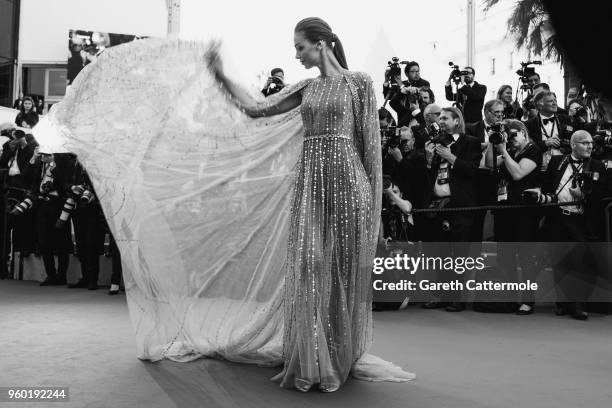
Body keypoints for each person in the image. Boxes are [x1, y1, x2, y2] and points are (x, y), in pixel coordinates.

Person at [209, 17, 412, 391]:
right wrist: (221, 77)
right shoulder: (306, 87)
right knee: (310, 264)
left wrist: (374, 202)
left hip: (351, 184)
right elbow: (258, 109)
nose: (297, 54)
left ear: (322, 43)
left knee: (343, 269)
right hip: (311, 184)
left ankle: (336, 358)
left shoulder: (359, 83)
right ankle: (312, 357)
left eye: (300, 46)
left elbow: (370, 143)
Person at [485, 119, 542, 315]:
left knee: (525, 258)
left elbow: (518, 173)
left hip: (524, 212)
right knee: (505, 257)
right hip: (504, 211)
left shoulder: (533, 150)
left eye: (513, 136)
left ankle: (527, 300)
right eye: (507, 136)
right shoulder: (508, 150)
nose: (511, 140)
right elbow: (488, 163)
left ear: (524, 133)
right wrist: (494, 143)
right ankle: (508, 299)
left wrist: (504, 151)